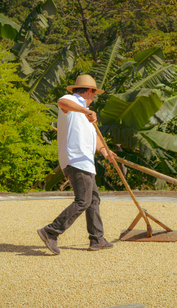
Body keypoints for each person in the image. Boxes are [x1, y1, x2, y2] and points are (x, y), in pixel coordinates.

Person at [37, 74, 117, 255]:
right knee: (83, 201)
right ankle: (51, 231)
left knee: (93, 199)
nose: (94, 97)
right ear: (89, 91)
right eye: (94, 93)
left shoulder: (86, 116)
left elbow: (95, 138)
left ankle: (97, 239)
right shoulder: (72, 101)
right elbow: (62, 102)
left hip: (85, 163)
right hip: (76, 160)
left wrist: (105, 152)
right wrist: (85, 111)